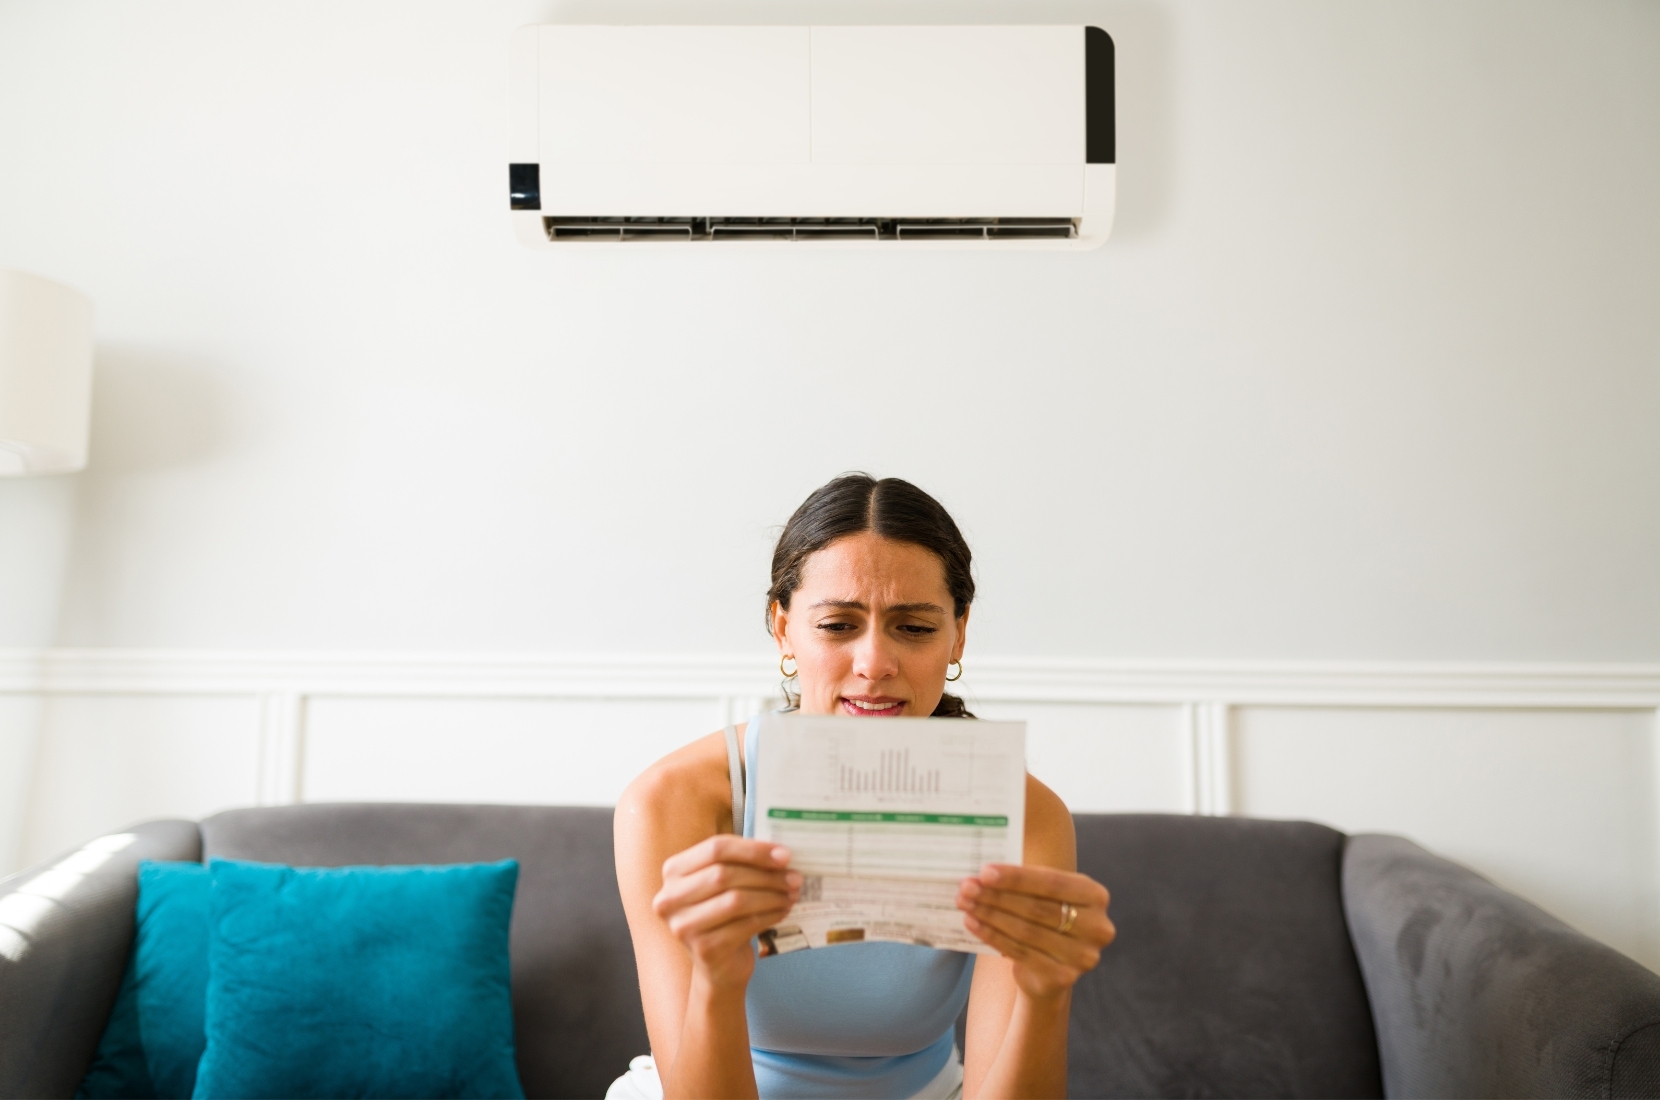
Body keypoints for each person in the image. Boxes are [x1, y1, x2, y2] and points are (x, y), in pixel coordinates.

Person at [612, 474, 1116, 1099]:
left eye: (914, 627)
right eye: (837, 625)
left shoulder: (1022, 814)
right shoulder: (675, 802)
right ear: (783, 629)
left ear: (958, 633)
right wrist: (718, 979)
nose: (874, 662)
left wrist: (1048, 994)